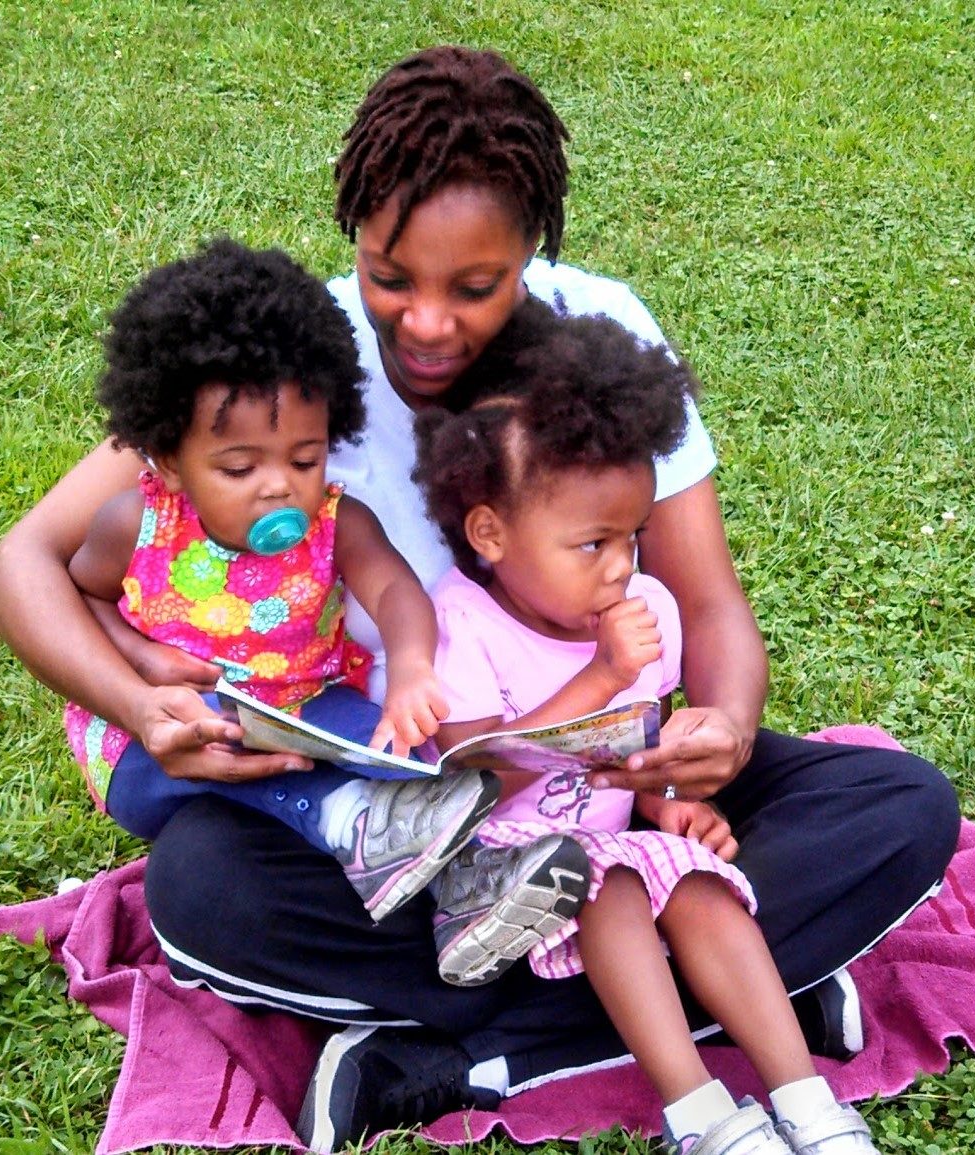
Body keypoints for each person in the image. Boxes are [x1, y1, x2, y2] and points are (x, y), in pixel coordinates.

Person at [0, 44, 960, 1154]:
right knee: (202, 890)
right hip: (388, 797)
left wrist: (721, 729)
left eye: (473, 287)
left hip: (593, 783)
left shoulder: (603, 340)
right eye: (392, 275)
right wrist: (142, 698)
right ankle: (734, 1002)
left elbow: (711, 603)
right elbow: (18, 571)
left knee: (901, 808)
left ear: (532, 253)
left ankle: (454, 1055)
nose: (426, 321)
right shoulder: (287, 366)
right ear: (354, 233)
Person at [414, 305, 884, 1153]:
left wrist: (667, 799)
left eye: (631, 536)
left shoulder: (647, 610)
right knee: (614, 885)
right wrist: (599, 674)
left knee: (697, 879)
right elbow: (472, 780)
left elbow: (639, 742)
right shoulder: (461, 624)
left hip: (606, 844)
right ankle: (698, 1111)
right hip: (500, 879)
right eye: (590, 543)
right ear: (489, 531)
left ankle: (807, 1100)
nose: (622, 565)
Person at [57, 235, 589, 964]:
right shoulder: (136, 524)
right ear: (171, 463)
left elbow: (396, 591)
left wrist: (409, 670)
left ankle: (469, 886)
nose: (279, 484)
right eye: (239, 466)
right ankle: (347, 819)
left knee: (418, 765)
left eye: (303, 458)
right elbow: (79, 594)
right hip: (157, 737)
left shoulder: (335, 523)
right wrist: (137, 658)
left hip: (304, 703)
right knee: (251, 746)